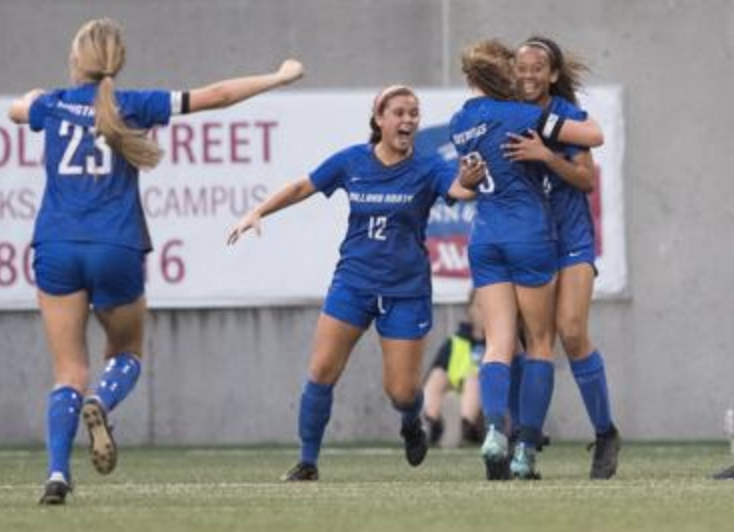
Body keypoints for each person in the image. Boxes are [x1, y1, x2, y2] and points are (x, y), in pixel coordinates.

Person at [8, 17, 304, 505]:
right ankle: (103, 400)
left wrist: (31, 96)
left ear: (75, 60)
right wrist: (278, 76)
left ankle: (58, 474)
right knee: (125, 353)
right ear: (116, 62)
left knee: (68, 371)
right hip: (117, 246)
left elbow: (16, 111)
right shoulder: (133, 104)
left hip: (57, 245)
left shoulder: (51, 104)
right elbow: (219, 95)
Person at [227, 85, 479, 481]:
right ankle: (308, 462)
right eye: (399, 112)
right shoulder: (352, 161)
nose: (409, 120)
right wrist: (258, 211)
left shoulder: (429, 168)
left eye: (414, 113)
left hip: (406, 292)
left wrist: (471, 178)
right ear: (379, 118)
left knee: (399, 392)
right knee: (321, 369)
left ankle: (412, 420)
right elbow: (302, 187)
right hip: (353, 283)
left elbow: (460, 188)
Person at [450, 39, 604, 480]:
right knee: (539, 344)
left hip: (484, 238)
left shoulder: (460, 122)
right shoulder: (520, 114)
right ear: (505, 75)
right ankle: (523, 451)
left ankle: (495, 428)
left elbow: (465, 183)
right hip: (529, 235)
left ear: (469, 79)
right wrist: (547, 141)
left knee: (499, 343)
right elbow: (593, 135)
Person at [503, 35, 621, 480]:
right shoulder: (505, 114)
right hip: (527, 242)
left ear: (552, 74)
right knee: (519, 340)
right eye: (522, 66)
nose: (528, 73)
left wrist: (544, 155)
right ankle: (524, 439)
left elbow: (585, 179)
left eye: (538, 67)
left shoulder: (566, 117)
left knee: (571, 332)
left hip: (570, 239)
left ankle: (606, 432)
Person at [423, 290, 486, 446]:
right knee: (437, 375)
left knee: (473, 381)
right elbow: (438, 369)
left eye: (488, 306)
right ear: (469, 310)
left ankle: (467, 429)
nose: (484, 312)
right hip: (458, 383)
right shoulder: (456, 340)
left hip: (487, 392)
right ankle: (432, 423)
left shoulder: (500, 343)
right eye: (479, 306)